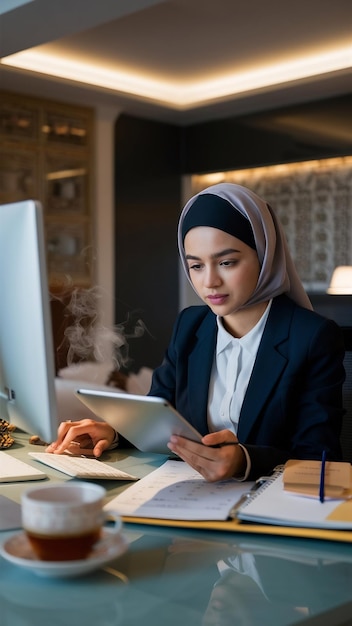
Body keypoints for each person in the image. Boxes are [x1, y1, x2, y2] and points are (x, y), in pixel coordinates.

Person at [47, 183, 345, 481]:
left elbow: (319, 457)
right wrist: (113, 432)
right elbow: (159, 414)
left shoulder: (312, 337)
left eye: (227, 262)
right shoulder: (191, 325)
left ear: (265, 255)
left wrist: (244, 461)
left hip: (269, 505)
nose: (210, 282)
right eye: (196, 266)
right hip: (189, 494)